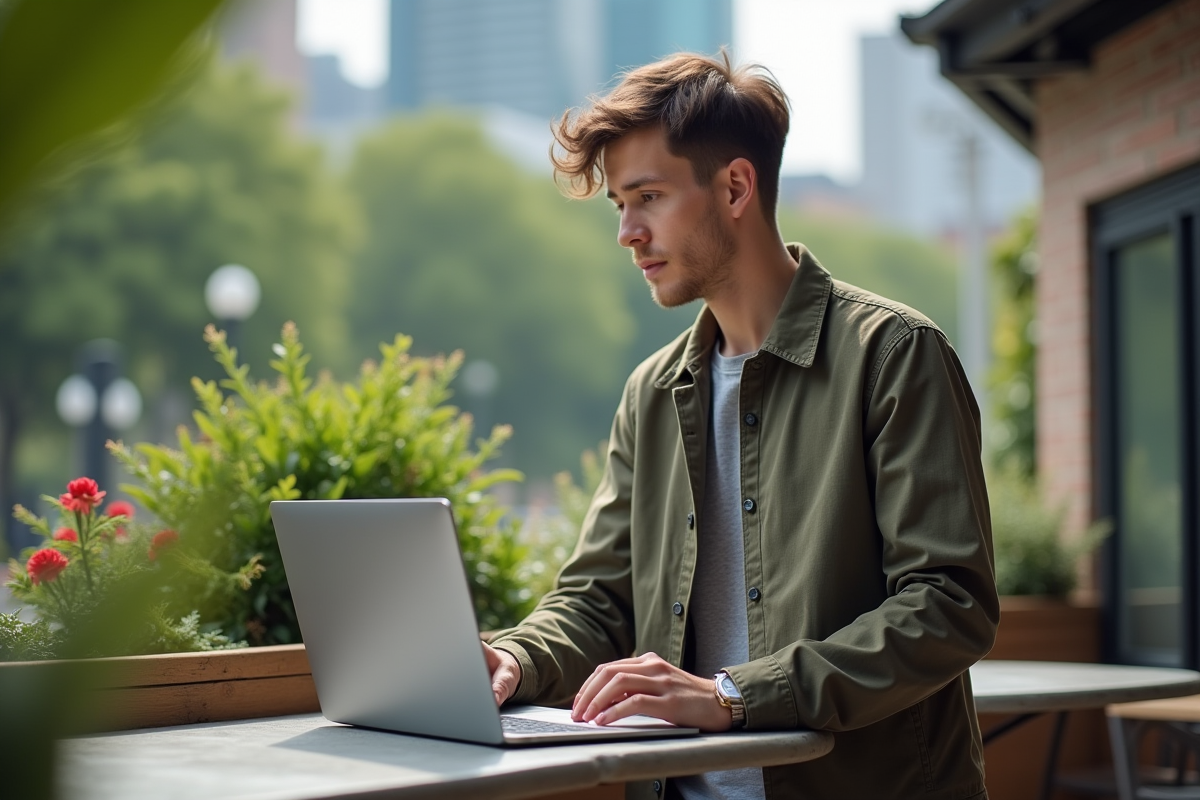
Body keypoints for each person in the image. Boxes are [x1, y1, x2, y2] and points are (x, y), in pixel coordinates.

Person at [485, 51, 999, 800]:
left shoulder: (892, 354)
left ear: (733, 187)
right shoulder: (652, 393)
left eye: (648, 197)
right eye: (619, 207)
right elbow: (601, 599)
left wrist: (734, 695)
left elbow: (948, 605)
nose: (628, 232)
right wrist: (516, 659)